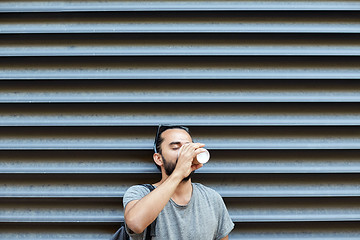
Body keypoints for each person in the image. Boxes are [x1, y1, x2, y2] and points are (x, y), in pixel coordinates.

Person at [123, 125, 234, 239]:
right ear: (158, 158)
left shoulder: (211, 198)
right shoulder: (139, 193)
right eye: (176, 147)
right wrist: (179, 172)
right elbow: (135, 224)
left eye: (188, 148)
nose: (184, 154)